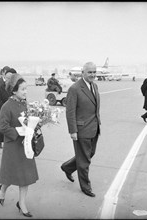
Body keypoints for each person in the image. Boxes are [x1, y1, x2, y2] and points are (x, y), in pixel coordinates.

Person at [0, 74, 38, 217]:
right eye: (23, 89)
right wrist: (18, 131)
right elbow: (2, 127)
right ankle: (2, 189)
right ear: (14, 91)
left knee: (25, 176)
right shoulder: (6, 106)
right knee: (10, 175)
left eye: (26, 89)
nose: (26, 92)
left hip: (25, 146)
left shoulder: (25, 103)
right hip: (13, 146)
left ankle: (22, 204)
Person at [60, 62, 101, 197]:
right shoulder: (75, 88)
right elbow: (70, 111)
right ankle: (85, 187)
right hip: (81, 130)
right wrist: (73, 131)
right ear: (83, 72)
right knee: (84, 161)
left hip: (94, 128)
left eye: (94, 72)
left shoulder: (94, 86)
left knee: (89, 154)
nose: (92, 74)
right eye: (89, 72)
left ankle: (67, 167)